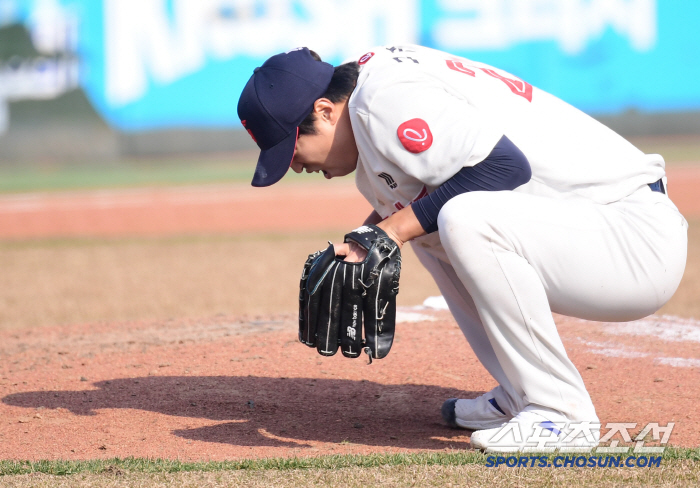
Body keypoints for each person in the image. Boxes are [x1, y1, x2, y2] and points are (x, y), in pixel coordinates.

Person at [237, 45, 688, 451]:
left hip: (632, 235)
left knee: (460, 218)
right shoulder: (374, 93)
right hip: (598, 228)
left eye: (294, 146)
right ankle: (521, 391)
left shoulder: (383, 100)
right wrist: (369, 236)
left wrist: (388, 232)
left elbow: (504, 168)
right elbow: (430, 194)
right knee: (429, 224)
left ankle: (562, 413)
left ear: (325, 110)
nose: (294, 164)